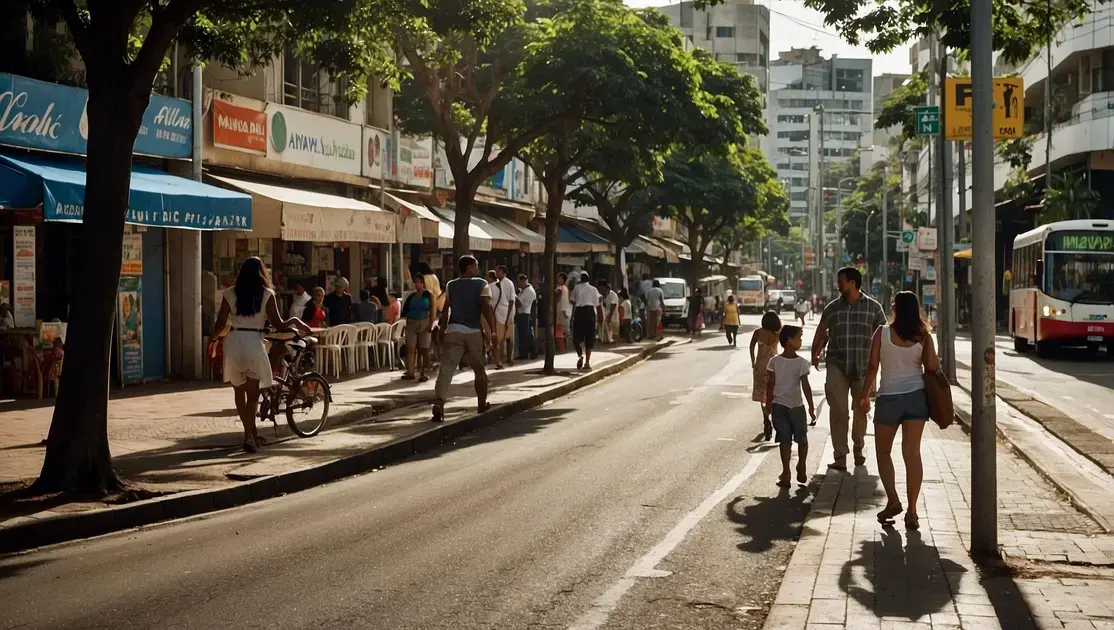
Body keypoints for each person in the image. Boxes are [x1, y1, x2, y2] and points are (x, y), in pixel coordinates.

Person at [857, 291, 940, 529]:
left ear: (895, 308)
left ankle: (893, 499)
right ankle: (912, 512)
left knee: (884, 453)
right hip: (916, 398)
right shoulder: (924, 335)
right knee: (912, 454)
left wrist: (864, 395)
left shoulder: (881, 333)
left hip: (889, 398)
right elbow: (932, 366)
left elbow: (873, 366)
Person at [212, 257, 310, 453]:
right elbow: (279, 323)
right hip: (253, 344)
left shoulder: (230, 293)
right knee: (253, 395)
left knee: (238, 392)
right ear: (261, 273)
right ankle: (249, 436)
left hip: (232, 343)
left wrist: (213, 339)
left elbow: (221, 322)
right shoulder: (267, 294)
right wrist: (295, 322)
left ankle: (249, 433)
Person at [811, 266, 887, 471]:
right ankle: (840, 455)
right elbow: (821, 330)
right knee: (839, 411)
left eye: (841, 281)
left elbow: (884, 335)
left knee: (860, 410)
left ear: (852, 283)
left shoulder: (873, 307)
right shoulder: (832, 308)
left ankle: (858, 447)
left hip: (864, 366)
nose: (838, 285)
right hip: (837, 363)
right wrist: (815, 352)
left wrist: (884, 361)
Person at [433, 255, 497, 422]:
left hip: (454, 330)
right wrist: (493, 331)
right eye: (475, 266)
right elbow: (486, 309)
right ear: (469, 268)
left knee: (446, 370)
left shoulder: (451, 285)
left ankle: (439, 402)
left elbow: (446, 309)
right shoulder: (482, 284)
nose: (477, 269)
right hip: (474, 332)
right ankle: (481, 404)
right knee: (479, 369)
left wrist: (442, 328)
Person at [765, 325, 816, 487]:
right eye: (799, 337)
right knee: (802, 438)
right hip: (796, 406)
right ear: (789, 340)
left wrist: (768, 404)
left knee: (785, 440)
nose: (801, 341)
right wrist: (810, 407)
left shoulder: (775, 361)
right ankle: (800, 465)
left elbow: (770, 385)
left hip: (779, 405)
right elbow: (805, 387)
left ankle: (786, 471)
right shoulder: (801, 363)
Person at [750, 311, 782, 440]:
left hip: (761, 366)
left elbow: (751, 347)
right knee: (773, 395)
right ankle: (774, 419)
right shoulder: (778, 334)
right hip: (775, 366)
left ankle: (766, 420)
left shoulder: (758, 333)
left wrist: (753, 362)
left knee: (762, 395)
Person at [401, 275, 435, 382]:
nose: (416, 284)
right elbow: (406, 309)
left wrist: (430, 324)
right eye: (415, 282)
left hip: (424, 322)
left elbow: (433, 310)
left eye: (418, 282)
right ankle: (410, 371)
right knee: (411, 348)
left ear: (422, 283)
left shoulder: (429, 295)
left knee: (423, 349)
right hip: (411, 322)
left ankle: (423, 373)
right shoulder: (412, 296)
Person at [571, 272, 603, 370]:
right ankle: (587, 362)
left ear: (581, 279)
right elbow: (598, 304)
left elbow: (572, 301)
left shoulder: (576, 288)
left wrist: (572, 316)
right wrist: (600, 316)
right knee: (589, 337)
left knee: (576, 335)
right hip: (590, 313)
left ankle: (580, 354)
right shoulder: (594, 289)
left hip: (579, 312)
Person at [492, 265, 516, 368]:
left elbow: (511, 300)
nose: (496, 273)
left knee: (509, 337)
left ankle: (510, 358)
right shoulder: (497, 284)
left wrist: (508, 316)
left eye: (498, 271)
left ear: (502, 272)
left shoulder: (508, 283)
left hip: (507, 313)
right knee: (499, 337)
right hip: (499, 313)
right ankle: (501, 357)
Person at [515, 274, 537, 360]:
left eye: (519, 282)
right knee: (525, 334)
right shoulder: (523, 290)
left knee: (526, 335)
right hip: (522, 314)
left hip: (525, 314)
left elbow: (520, 304)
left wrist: (515, 297)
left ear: (523, 281)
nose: (518, 284)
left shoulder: (529, 292)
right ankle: (526, 353)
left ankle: (528, 353)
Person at [598, 279, 619, 344]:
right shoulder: (601, 296)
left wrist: (609, 317)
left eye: (601, 289)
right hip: (605, 318)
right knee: (605, 338)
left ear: (605, 288)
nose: (600, 290)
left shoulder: (613, 295)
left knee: (614, 336)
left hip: (613, 318)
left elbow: (613, 306)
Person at [555, 272, 571, 353]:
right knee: (563, 331)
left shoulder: (560, 288)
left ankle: (561, 349)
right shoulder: (566, 288)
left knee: (558, 331)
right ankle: (563, 348)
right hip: (564, 311)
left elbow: (557, 298)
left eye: (559, 278)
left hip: (560, 311)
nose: (558, 279)